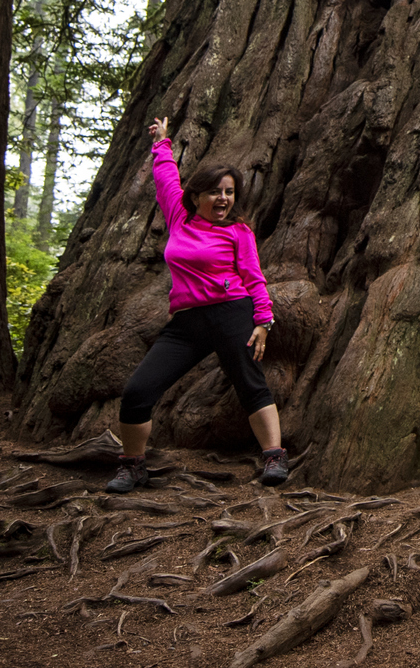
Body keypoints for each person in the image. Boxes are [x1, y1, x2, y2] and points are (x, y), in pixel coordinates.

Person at [107, 117, 288, 492]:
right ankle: (132, 465)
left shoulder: (239, 231)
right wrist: (162, 143)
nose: (223, 199)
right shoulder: (179, 217)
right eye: (216, 192)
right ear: (197, 196)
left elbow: (254, 277)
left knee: (251, 384)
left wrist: (263, 321)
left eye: (230, 192)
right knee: (139, 391)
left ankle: (274, 457)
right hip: (188, 322)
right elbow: (166, 179)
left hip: (233, 312)